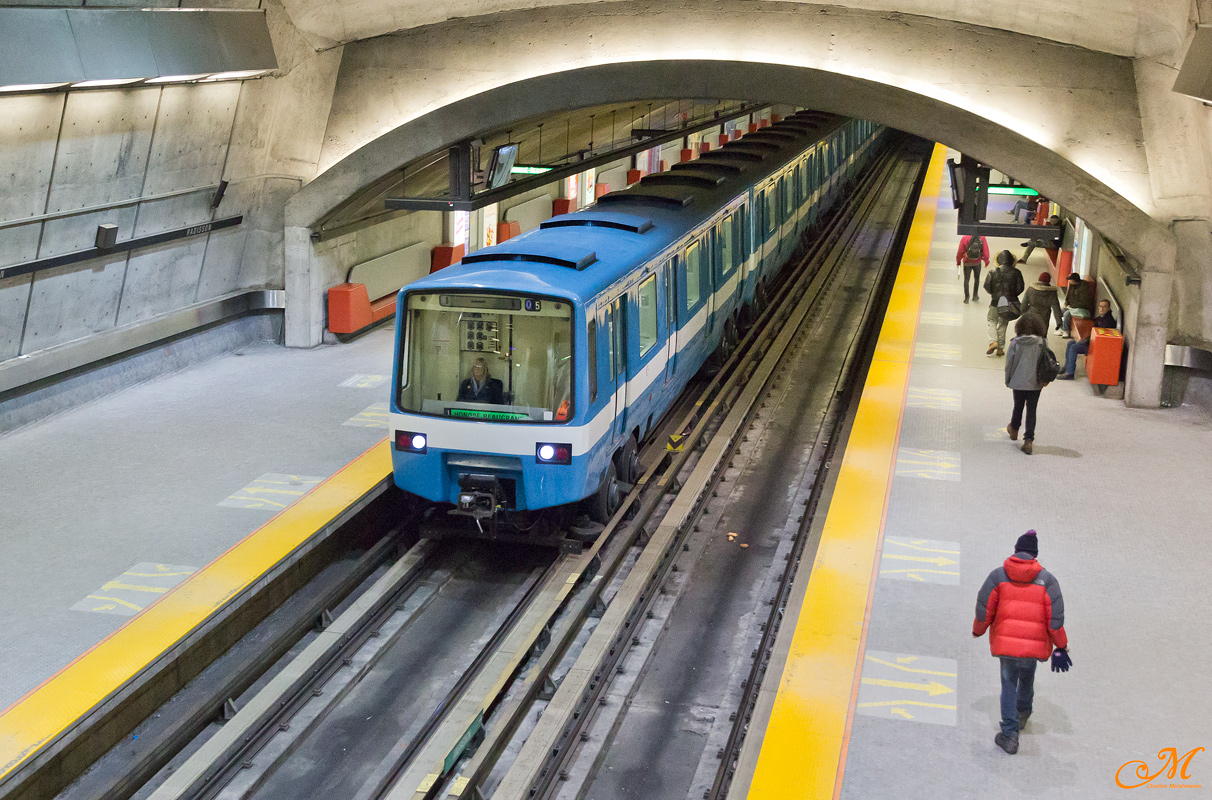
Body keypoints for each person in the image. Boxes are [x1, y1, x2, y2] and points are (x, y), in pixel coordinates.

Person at [973, 530, 1068, 755]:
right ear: (1035, 555)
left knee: (1008, 684)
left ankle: (1009, 735)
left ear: (1015, 551)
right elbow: (1055, 621)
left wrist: (978, 631)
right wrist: (1061, 646)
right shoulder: (1048, 581)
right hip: (1032, 647)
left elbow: (983, 609)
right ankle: (1023, 713)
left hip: (1006, 646)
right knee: (1026, 678)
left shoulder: (998, 577)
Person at [1004, 314, 1052, 454]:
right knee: (1032, 409)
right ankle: (1029, 440)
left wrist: (1008, 380)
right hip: (1036, 382)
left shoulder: (1015, 343)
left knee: (1018, 406)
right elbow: (1047, 360)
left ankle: (1014, 429)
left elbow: (1009, 364)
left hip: (1018, 381)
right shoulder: (1042, 342)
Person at [1057, 299, 1117, 380]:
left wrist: (1085, 341)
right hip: (1093, 342)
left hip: (1097, 347)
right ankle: (1067, 367)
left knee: (1073, 347)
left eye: (1104, 307)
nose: (1102, 309)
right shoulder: (1101, 318)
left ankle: (1070, 373)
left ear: (1109, 308)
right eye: (1100, 306)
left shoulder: (1108, 321)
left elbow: (1099, 337)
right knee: (1070, 343)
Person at [982, 251, 1025, 357]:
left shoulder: (993, 271)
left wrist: (994, 293)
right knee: (1003, 323)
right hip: (1009, 303)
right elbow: (1020, 288)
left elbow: (987, 286)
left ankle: (993, 342)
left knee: (991, 320)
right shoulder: (1016, 272)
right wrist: (1012, 295)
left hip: (995, 302)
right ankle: (1000, 348)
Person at [955, 234, 989, 304]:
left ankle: (967, 298)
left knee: (966, 279)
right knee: (977, 279)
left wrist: (958, 261)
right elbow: (985, 250)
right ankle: (975, 295)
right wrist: (986, 261)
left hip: (967, 262)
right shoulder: (981, 237)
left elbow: (960, 251)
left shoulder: (965, 238)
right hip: (977, 262)